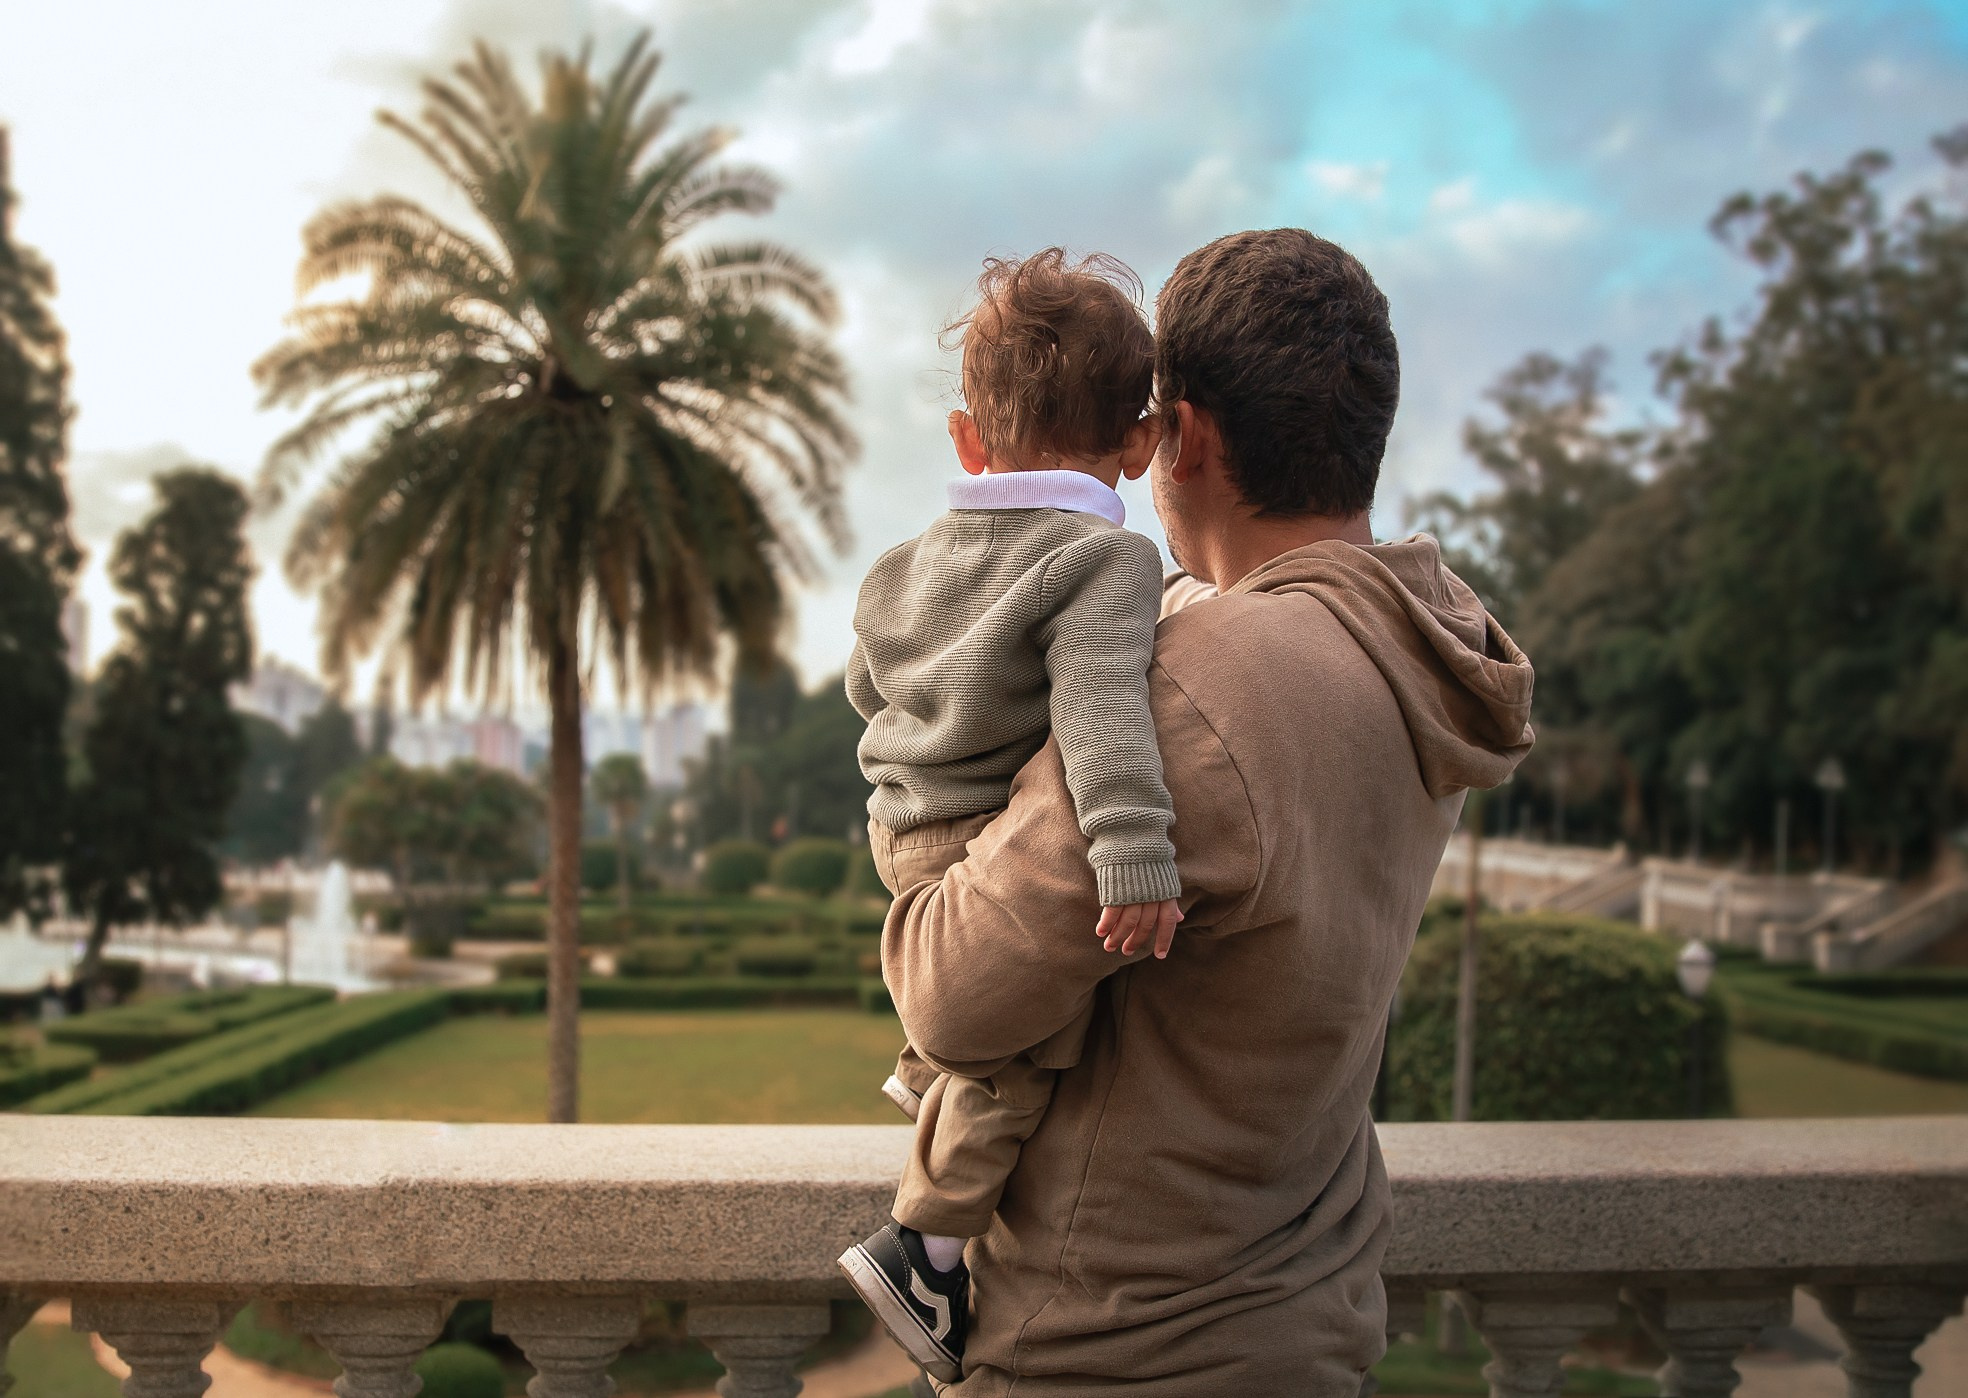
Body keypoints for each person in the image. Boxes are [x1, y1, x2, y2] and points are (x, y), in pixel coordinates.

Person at [883, 228, 1536, 1394]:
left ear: (1181, 437)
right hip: (1299, 1321)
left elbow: (951, 998)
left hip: (1115, 1348)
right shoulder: (1405, 642)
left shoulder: (1206, 688)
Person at [836, 248, 1186, 1382]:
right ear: (1142, 442)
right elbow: (1102, 714)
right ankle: (926, 1250)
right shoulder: (1105, 558)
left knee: (990, 1015)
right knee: (1035, 1047)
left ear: (966, 438)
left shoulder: (900, 567)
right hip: (978, 834)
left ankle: (925, 1073)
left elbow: (867, 684)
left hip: (900, 824)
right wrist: (1134, 853)